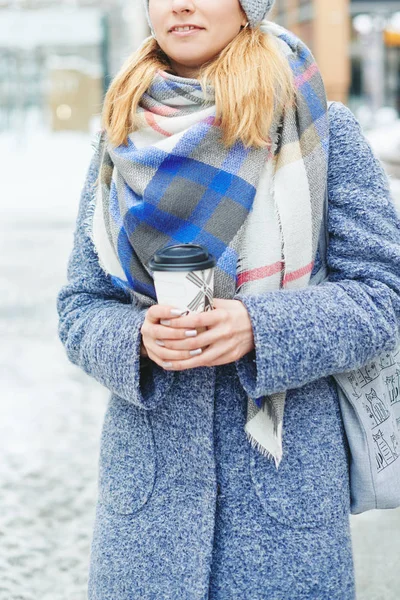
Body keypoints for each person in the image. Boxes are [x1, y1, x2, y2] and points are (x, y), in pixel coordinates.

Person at [56, 1, 400, 598]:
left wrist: (260, 329)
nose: (181, 4)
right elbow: (81, 304)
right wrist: (135, 338)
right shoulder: (119, 134)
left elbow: (382, 295)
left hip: (284, 512)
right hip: (147, 520)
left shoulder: (317, 124)